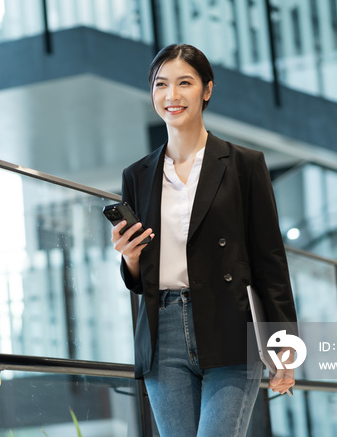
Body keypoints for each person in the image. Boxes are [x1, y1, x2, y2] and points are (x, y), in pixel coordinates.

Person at [111, 44, 298, 436]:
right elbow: (140, 274)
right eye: (161, 85)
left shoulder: (244, 164)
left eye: (185, 83)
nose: (172, 96)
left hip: (229, 326)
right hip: (163, 335)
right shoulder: (137, 175)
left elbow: (270, 260)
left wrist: (283, 344)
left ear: (206, 90)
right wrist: (129, 259)